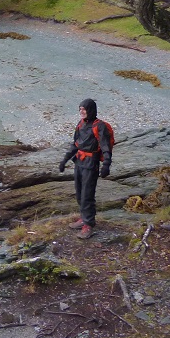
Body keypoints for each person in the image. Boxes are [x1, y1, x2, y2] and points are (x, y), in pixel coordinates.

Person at [58, 98, 112, 239]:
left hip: (91, 164)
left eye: (84, 109)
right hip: (79, 163)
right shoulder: (80, 124)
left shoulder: (99, 126)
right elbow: (75, 144)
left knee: (87, 194)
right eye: (80, 109)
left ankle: (88, 224)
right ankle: (83, 218)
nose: (82, 112)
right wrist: (65, 160)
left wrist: (106, 164)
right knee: (79, 193)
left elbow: (105, 146)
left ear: (91, 110)